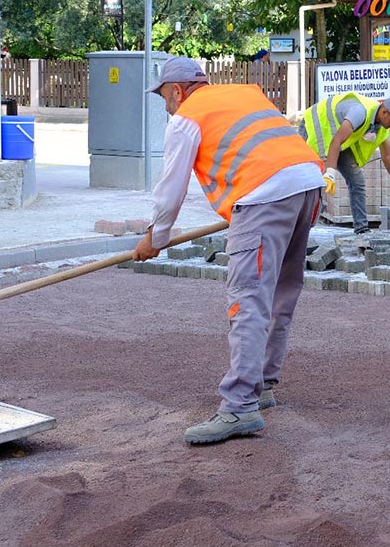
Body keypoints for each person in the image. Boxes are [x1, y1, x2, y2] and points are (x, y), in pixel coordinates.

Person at [132, 56, 324, 445]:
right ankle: (262, 386)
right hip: (307, 183)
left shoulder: (187, 116)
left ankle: (239, 406)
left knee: (248, 301)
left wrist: (157, 236)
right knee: (280, 294)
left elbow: (172, 187)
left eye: (165, 98)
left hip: (263, 196)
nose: (166, 106)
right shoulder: (243, 93)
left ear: (177, 90)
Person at [299, 93, 390, 234]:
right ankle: (298, 232)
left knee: (357, 180)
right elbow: (336, 141)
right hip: (315, 129)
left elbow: (387, 155)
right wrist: (330, 173)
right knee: (306, 181)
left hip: (337, 140)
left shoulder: (382, 126)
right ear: (384, 112)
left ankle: (362, 229)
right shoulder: (359, 112)